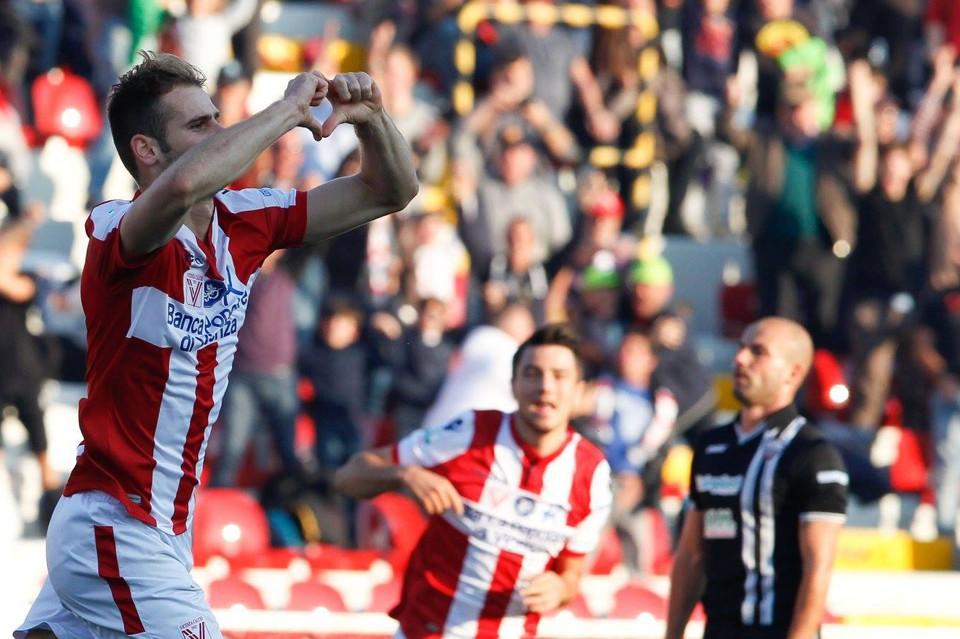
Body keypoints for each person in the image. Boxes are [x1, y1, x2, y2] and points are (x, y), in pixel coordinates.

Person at [16, 51, 417, 639]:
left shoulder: (247, 220)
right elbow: (182, 185)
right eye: (199, 125)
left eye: (216, 119)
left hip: (165, 529)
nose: (219, 132)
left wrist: (374, 119)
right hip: (114, 520)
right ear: (147, 150)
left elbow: (391, 190)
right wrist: (285, 112)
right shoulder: (116, 228)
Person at [334, 324, 613, 638]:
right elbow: (348, 477)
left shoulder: (592, 474)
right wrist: (404, 474)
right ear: (513, 384)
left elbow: (571, 576)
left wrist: (560, 588)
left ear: (578, 391)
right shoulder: (470, 432)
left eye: (559, 376)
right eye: (532, 374)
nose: (545, 387)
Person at [665, 317, 848, 639]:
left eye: (758, 352)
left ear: (793, 373)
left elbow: (818, 567)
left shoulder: (812, 454)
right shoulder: (711, 446)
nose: (740, 359)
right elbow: (691, 554)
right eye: (741, 348)